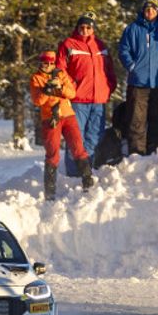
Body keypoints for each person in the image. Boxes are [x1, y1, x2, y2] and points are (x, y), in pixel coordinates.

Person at [57, 11, 117, 178]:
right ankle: (74, 174)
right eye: (81, 27)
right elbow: (59, 70)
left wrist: (108, 87)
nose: (84, 30)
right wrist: (71, 86)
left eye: (88, 27)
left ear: (93, 29)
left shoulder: (101, 46)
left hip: (98, 100)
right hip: (78, 100)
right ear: (77, 28)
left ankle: (86, 172)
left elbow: (109, 70)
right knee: (75, 138)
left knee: (94, 138)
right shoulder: (69, 44)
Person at [29, 50, 92, 200]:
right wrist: (47, 90)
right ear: (40, 63)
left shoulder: (61, 74)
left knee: (78, 147)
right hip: (50, 118)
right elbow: (37, 101)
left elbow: (72, 93)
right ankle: (50, 191)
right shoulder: (36, 78)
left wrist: (60, 87)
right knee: (52, 153)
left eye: (51, 63)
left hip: (67, 115)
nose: (48, 66)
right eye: (45, 63)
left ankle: (88, 181)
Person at [118, 0, 158, 156]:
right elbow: (123, 50)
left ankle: (155, 154)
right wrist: (132, 66)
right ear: (142, 10)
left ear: (157, 10)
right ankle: (136, 155)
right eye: (147, 8)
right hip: (138, 83)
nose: (149, 11)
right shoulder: (132, 29)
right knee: (136, 121)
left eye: (153, 8)